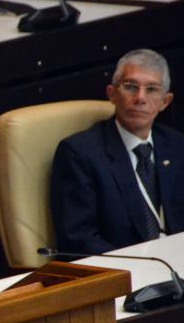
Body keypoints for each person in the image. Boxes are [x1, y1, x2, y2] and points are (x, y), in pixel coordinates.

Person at [51, 49, 184, 254]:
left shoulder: (176, 145)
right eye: (130, 87)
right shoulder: (81, 153)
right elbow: (78, 239)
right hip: (124, 273)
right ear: (111, 94)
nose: (140, 98)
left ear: (165, 102)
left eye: (151, 89)